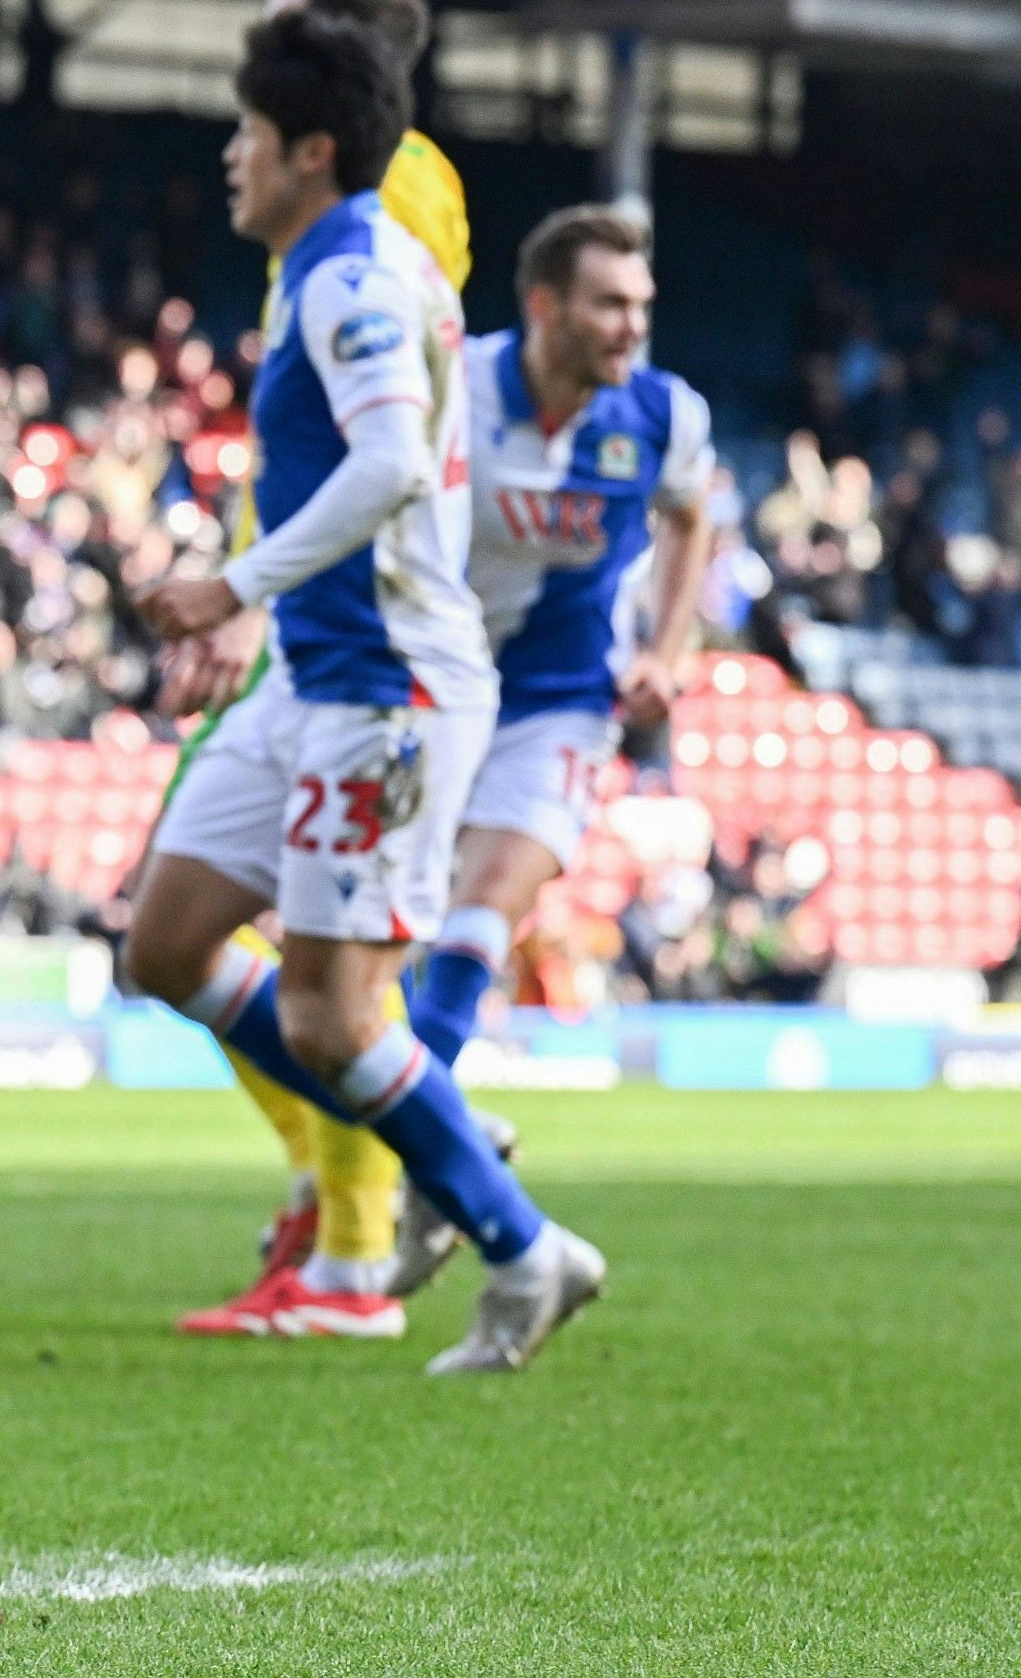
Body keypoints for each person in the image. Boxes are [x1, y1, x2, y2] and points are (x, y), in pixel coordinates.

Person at [128, 4, 605, 1376]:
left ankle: (523, 1247)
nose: (231, 155)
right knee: (164, 942)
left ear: (312, 150)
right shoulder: (341, 260)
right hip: (309, 680)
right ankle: (430, 1115)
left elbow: (394, 456)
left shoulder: (350, 278)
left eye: (251, 135)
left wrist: (236, 584)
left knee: (337, 1018)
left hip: (380, 686)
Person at [164, 0, 475, 1341]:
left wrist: (240, 586)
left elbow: (382, 451)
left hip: (339, 614)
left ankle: (376, 1198)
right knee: (193, 930)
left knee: (302, 964)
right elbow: (330, 22)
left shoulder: (385, 192)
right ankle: (351, 1168)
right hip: (305, 594)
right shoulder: (385, 164)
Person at [380, 205, 712, 1298]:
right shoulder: (452, 390)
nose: (630, 328)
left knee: (483, 910)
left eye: (641, 307)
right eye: (609, 304)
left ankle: (434, 1178)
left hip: (558, 703)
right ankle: (441, 1152)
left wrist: (666, 647)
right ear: (542, 306)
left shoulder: (663, 416)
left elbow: (689, 518)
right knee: (362, 962)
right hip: (423, 688)